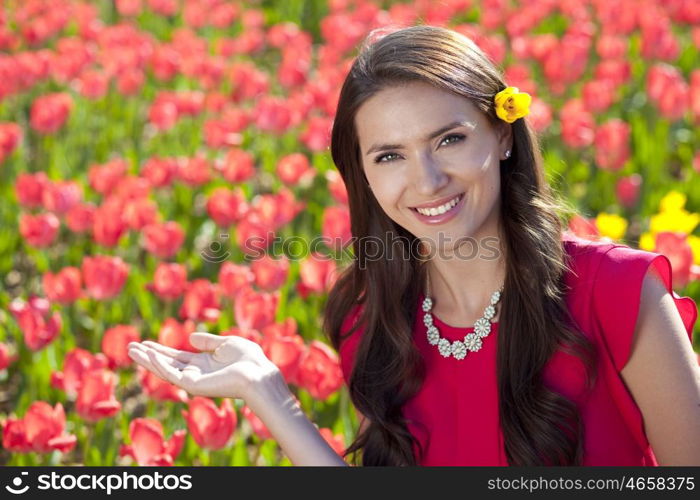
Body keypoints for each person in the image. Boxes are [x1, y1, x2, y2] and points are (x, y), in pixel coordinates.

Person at [128, 25, 700, 466]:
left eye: (448, 139)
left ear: (502, 134)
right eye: (389, 155)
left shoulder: (617, 293)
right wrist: (270, 397)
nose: (426, 181)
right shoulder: (374, 321)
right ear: (363, 174)